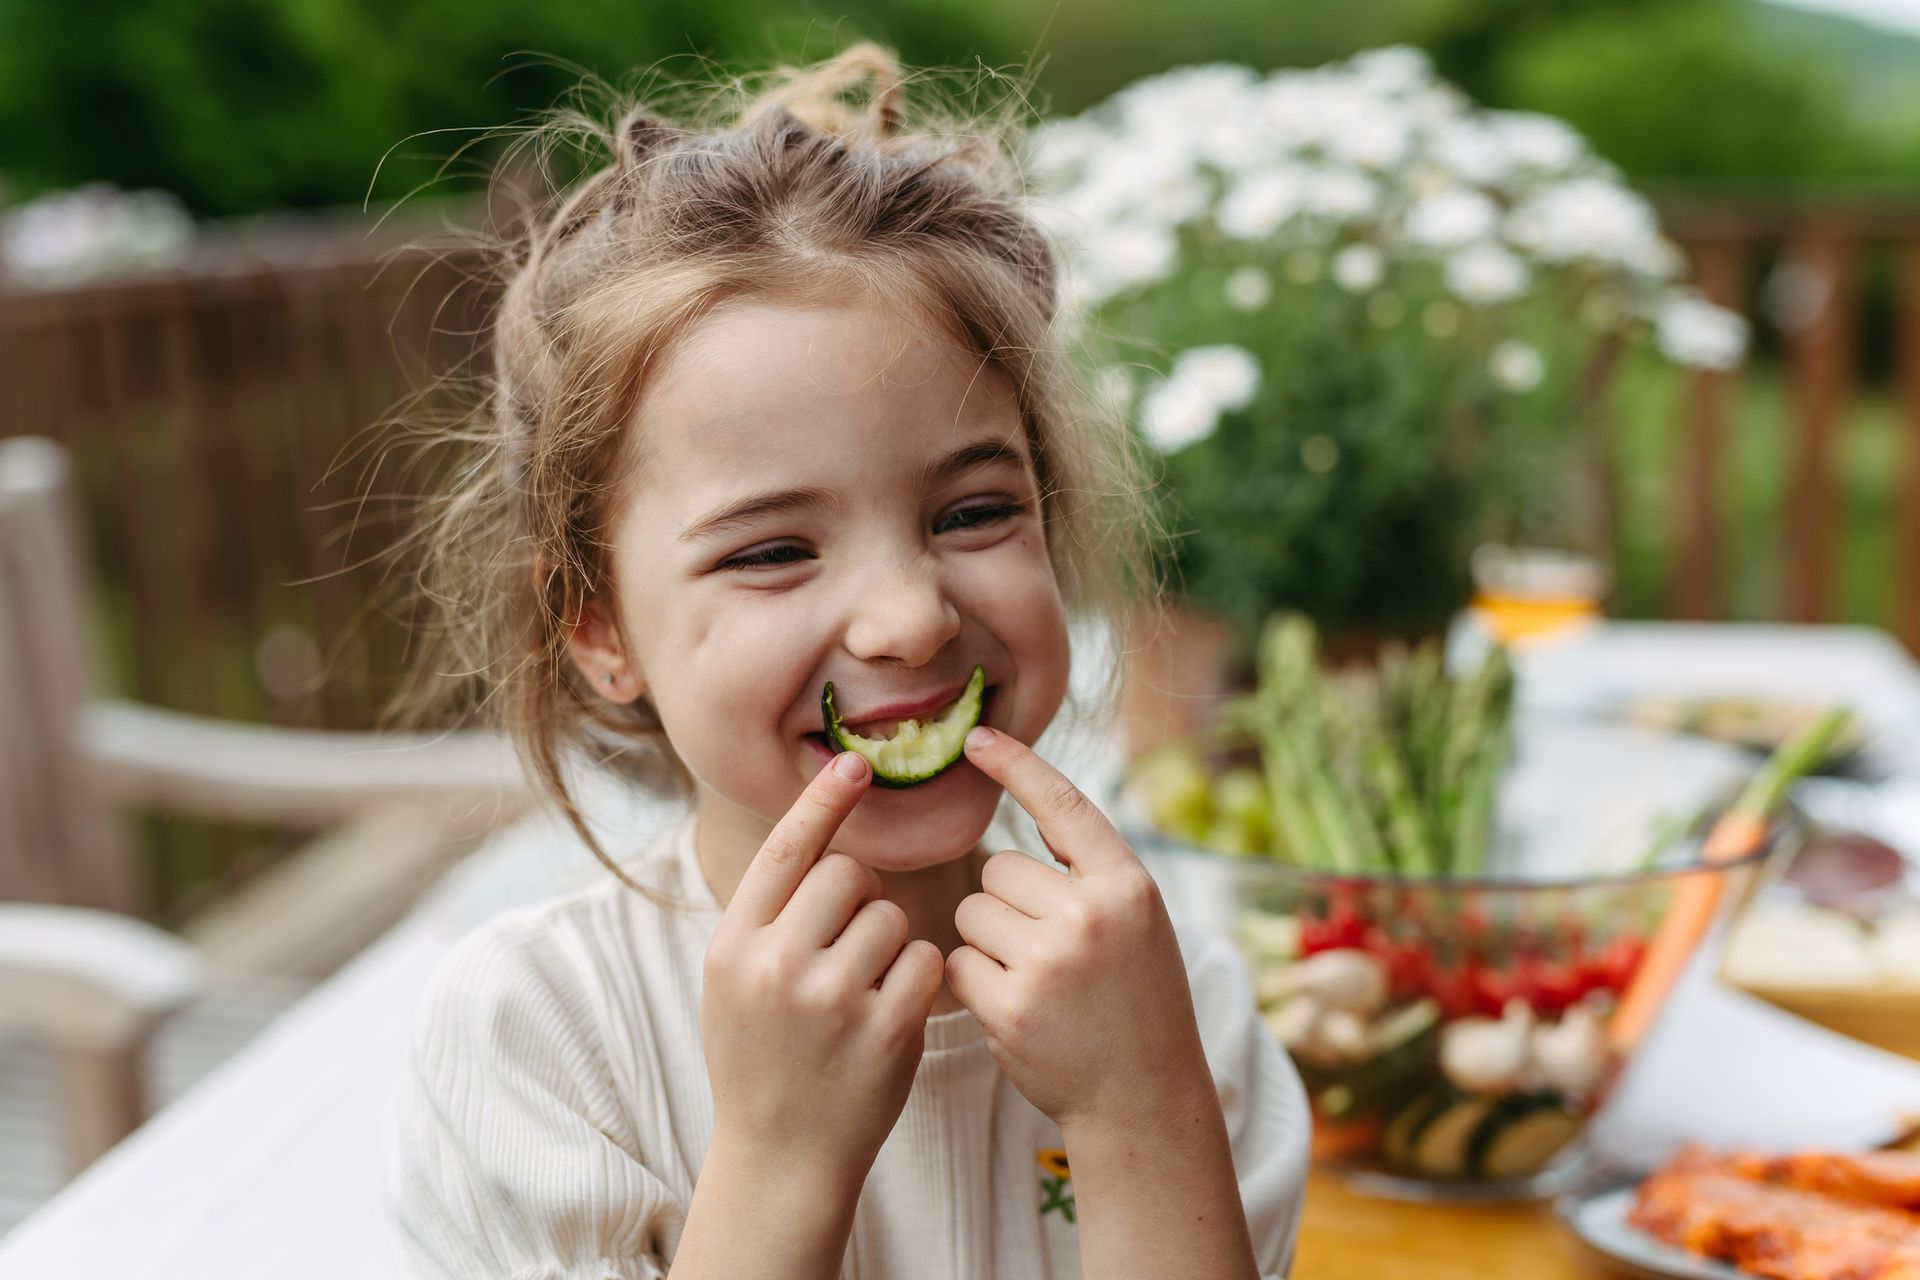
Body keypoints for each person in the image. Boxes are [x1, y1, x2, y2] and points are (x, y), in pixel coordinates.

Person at [385, 41, 1310, 1279]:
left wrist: (1138, 1111)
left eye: (973, 512)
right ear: (602, 628)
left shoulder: (1165, 997)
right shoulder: (545, 1036)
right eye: (773, 548)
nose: (908, 619)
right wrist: (778, 1156)